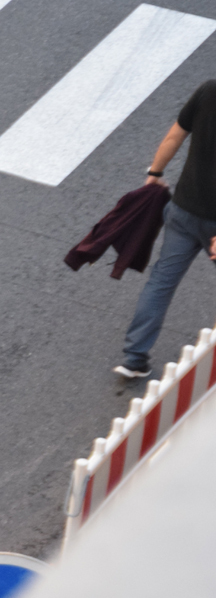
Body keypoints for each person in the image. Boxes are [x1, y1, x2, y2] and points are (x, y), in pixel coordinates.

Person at [116, 80, 216, 378]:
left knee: (161, 282)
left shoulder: (209, 90)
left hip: (183, 210)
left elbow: (174, 136)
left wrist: (155, 174)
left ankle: (134, 357)